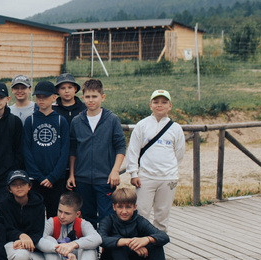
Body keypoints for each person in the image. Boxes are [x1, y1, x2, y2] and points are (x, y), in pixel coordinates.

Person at [98, 187, 172, 260]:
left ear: (135, 207)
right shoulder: (108, 220)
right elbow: (100, 239)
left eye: (128, 207)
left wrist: (147, 239)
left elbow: (164, 236)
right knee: (117, 243)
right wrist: (129, 243)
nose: (124, 211)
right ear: (114, 207)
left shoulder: (139, 221)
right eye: (120, 207)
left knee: (155, 242)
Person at [68, 78, 126, 226]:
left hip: (105, 178)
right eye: (87, 96)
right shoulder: (76, 121)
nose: (91, 100)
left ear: (102, 97)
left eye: (94, 96)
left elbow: (120, 147)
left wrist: (115, 171)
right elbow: (73, 150)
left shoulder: (112, 120)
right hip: (82, 178)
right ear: (82, 98)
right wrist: (72, 174)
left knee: (107, 215)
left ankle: (107, 241)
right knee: (87, 216)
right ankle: (90, 241)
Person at [126, 89, 185, 232]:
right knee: (141, 211)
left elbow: (179, 153)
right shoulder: (142, 125)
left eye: (164, 102)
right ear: (150, 105)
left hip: (168, 178)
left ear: (170, 106)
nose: (160, 105)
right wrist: (134, 173)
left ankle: (159, 239)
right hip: (145, 177)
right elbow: (133, 151)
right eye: (156, 102)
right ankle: (140, 239)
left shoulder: (176, 128)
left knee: (162, 212)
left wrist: (169, 170)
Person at [35, 192, 100, 260]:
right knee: (49, 241)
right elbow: (38, 241)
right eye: (60, 211)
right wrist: (58, 248)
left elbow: (97, 238)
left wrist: (73, 244)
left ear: (77, 214)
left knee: (90, 247)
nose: (61, 216)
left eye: (67, 213)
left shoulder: (83, 224)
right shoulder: (51, 222)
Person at [23, 80, 71, 218]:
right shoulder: (30, 121)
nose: (41, 100)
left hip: (56, 179)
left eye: (45, 97)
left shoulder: (61, 121)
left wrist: (52, 177)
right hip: (35, 178)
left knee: (54, 215)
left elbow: (65, 151)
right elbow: (26, 150)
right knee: (35, 214)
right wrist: (38, 176)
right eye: (38, 97)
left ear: (54, 97)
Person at [0, 170, 46, 260]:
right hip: (12, 243)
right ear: (9, 189)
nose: (19, 187)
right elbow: (5, 229)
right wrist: (20, 236)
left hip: (32, 245)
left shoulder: (39, 204)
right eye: (14, 184)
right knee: (21, 256)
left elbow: (39, 231)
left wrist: (26, 240)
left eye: (23, 183)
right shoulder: (4, 204)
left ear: (29, 186)